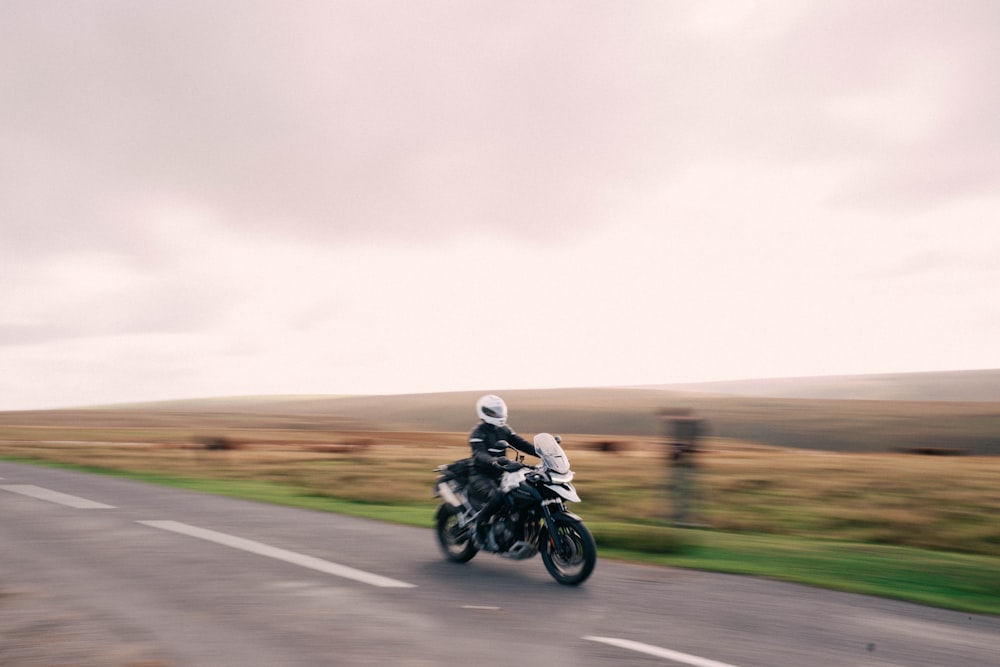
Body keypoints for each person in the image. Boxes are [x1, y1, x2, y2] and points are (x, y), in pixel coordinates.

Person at [467, 394, 537, 547]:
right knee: (498, 497)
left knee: (524, 492)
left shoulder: (504, 429)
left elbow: (522, 444)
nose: (497, 415)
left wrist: (541, 452)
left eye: (499, 411)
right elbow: (479, 454)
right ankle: (478, 526)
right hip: (481, 475)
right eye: (494, 412)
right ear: (484, 412)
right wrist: (493, 461)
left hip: (502, 473)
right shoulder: (478, 432)